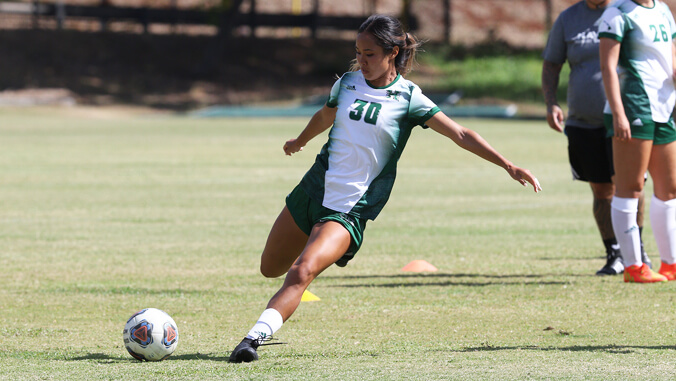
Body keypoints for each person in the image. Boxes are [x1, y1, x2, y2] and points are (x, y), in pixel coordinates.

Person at [228, 14, 542, 363]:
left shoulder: (408, 97)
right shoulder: (346, 83)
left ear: (392, 52)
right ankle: (305, 268)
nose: (361, 61)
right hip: (312, 189)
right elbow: (324, 115)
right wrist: (299, 140)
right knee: (269, 268)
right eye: (358, 52)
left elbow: (461, 134)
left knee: (301, 273)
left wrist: (508, 165)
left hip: (348, 209)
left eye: (370, 54)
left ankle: (251, 340)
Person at [542, 0, 651, 276]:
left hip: (625, 119)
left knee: (631, 186)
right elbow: (552, 64)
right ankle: (614, 252)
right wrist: (551, 102)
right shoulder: (569, 19)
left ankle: (636, 251)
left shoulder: (628, 12)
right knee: (601, 190)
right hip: (583, 121)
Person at [598, 0, 676, 283]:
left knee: (669, 188)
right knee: (630, 187)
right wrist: (618, 113)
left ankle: (670, 264)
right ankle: (633, 267)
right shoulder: (616, 13)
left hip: (664, 105)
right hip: (633, 106)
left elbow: (670, 52)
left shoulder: (664, 10)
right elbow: (608, 67)